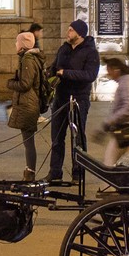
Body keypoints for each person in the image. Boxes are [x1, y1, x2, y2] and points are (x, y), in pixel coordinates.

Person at [47, 19, 99, 182]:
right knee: (57, 137)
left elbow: (90, 76)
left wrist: (66, 73)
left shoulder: (90, 52)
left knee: (77, 137)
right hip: (61, 97)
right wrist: (50, 73)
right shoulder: (64, 48)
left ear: (79, 33)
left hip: (79, 98)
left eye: (71, 30)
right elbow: (55, 67)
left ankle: (78, 172)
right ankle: (55, 172)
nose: (67, 32)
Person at [6, 28, 46, 179]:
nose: (15, 44)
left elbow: (25, 84)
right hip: (29, 103)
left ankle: (30, 173)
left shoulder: (28, 60)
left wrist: (10, 83)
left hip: (28, 105)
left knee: (28, 142)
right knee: (28, 141)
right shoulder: (28, 58)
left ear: (22, 44)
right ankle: (29, 171)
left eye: (17, 41)